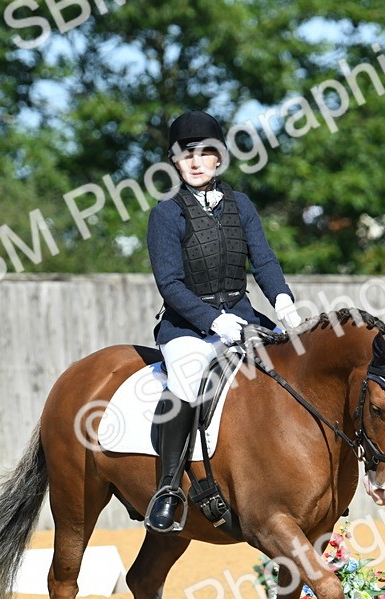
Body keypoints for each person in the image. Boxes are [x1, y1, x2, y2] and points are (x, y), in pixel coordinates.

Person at [144, 110, 303, 534]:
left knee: (289, 369)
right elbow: (170, 284)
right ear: (175, 163)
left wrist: (284, 303)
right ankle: (167, 491)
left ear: (219, 158)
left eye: (205, 153)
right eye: (185, 155)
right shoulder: (166, 214)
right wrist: (216, 322)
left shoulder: (241, 204)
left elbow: (263, 260)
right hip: (187, 326)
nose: (195, 162)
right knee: (187, 382)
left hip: (245, 314)